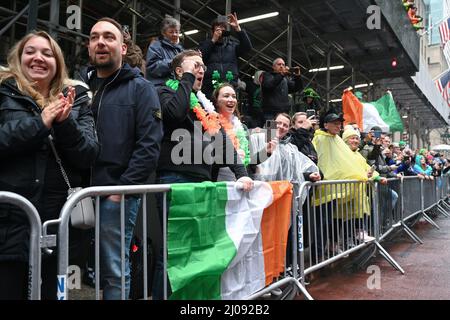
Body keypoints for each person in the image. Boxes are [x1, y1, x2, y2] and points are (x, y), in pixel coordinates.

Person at [0, 31, 99, 299]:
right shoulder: (4, 92)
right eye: (30, 51)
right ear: (18, 58)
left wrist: (64, 124)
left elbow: (88, 153)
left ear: (57, 62)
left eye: (47, 53)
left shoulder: (76, 98)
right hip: (10, 224)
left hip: (58, 226)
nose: (38, 58)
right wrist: (39, 124)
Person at [154, 49, 254, 299]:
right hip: (174, 179)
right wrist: (187, 80)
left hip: (202, 182)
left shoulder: (204, 104)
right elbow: (174, 114)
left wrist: (241, 172)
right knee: (172, 251)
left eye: (202, 66)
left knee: (196, 251)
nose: (202, 69)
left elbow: (221, 140)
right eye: (195, 65)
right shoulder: (164, 91)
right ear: (180, 71)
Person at [84, 17, 163, 300]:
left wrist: (122, 190)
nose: (101, 42)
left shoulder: (141, 88)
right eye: (94, 37)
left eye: (109, 36)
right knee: (79, 267)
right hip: (78, 195)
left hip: (113, 194)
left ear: (123, 46)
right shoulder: (81, 87)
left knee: (114, 269)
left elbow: (149, 145)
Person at [199, 13, 252, 99]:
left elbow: (247, 47)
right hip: (210, 88)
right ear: (213, 31)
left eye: (223, 27)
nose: (221, 30)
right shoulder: (205, 44)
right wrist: (213, 40)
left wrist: (237, 28)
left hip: (230, 87)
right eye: (218, 28)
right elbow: (201, 58)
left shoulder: (233, 46)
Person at [145, 17, 184, 87]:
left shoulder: (180, 49)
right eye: (171, 32)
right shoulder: (156, 46)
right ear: (164, 33)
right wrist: (171, 63)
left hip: (176, 86)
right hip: (161, 87)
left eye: (177, 32)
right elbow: (152, 67)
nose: (175, 34)